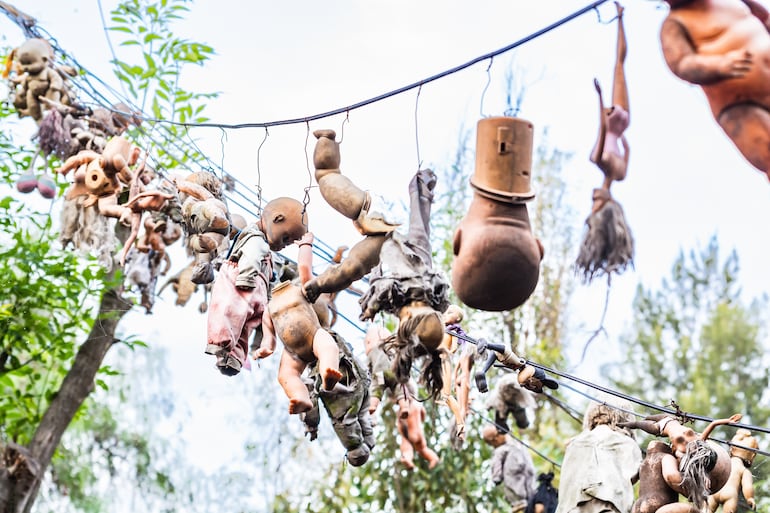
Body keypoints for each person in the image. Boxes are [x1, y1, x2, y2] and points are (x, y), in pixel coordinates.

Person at [304, 129, 449, 399]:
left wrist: (421, 191)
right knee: (346, 269)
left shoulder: (427, 283)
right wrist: (370, 307)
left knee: (348, 269)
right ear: (409, 320)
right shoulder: (407, 286)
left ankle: (328, 151)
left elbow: (421, 228)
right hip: (379, 234)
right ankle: (327, 146)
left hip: (380, 234)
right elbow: (418, 233)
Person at [660, 0, 770, 180]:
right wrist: (720, 65)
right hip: (741, 105)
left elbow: (763, 18)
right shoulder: (675, 23)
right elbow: (681, 63)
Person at [204, 196, 307, 377]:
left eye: (289, 242)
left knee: (246, 325)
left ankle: (236, 356)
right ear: (277, 219)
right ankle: (221, 345)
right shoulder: (255, 238)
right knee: (228, 313)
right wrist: (246, 277)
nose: (285, 245)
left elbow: (270, 278)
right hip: (240, 284)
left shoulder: (268, 252)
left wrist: (268, 297)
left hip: (254, 292)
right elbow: (251, 256)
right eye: (285, 238)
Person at [576, 1, 634, 283]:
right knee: (619, 66)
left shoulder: (615, 169)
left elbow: (626, 146)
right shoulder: (601, 161)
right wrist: (599, 98)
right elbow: (601, 125)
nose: (593, 196)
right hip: (616, 122)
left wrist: (602, 101)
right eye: (594, 200)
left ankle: (621, 18)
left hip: (621, 123)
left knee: (619, 65)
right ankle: (621, 19)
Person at [258, 231, 343, 414]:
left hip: (314, 335)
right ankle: (301, 398)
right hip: (293, 352)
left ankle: (328, 372)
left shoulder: (299, 290)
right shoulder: (269, 308)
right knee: (285, 375)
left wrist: (306, 246)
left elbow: (305, 269)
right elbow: (268, 338)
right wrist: (265, 349)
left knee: (329, 348)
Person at [621, 413, 742, 512]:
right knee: (641, 421)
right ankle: (624, 423)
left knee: (639, 422)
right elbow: (671, 476)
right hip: (668, 420)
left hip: (638, 507)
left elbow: (634, 479)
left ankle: (624, 423)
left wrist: (700, 480)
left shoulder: (648, 462)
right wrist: (695, 491)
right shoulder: (672, 455)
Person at [556, 400, 642, 513]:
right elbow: (633, 475)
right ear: (625, 417)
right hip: (608, 506)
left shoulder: (574, 443)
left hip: (571, 508)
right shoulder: (626, 443)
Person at [481, 424, 536, 513]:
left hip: (531, 494)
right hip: (518, 500)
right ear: (495, 440)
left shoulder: (516, 445)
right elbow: (496, 476)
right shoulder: (500, 452)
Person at [707, 429, 759, 513]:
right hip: (730, 494)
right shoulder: (743, 470)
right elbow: (747, 486)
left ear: (732, 448)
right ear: (752, 455)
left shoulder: (725, 460)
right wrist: (750, 498)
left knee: (706, 510)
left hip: (715, 490)